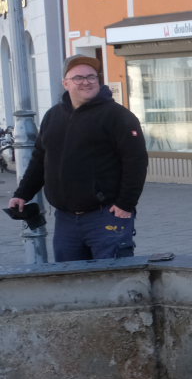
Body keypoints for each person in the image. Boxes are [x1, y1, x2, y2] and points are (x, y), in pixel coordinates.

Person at [8, 55, 148, 261]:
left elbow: (136, 161)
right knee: (69, 277)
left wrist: (126, 204)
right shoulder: (53, 116)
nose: (86, 82)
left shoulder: (118, 116)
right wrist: (22, 194)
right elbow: (40, 159)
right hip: (65, 220)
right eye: (78, 78)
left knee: (111, 276)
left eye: (91, 77)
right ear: (65, 83)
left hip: (106, 216)